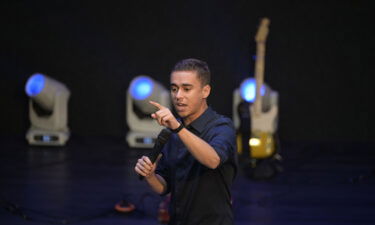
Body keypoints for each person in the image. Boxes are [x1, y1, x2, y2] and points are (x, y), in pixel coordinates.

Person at [134, 58, 237, 225]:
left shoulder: (222, 126)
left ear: (205, 91)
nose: (178, 96)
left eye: (186, 89)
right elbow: (165, 187)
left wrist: (177, 127)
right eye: (174, 89)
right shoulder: (173, 133)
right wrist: (151, 175)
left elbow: (213, 160)